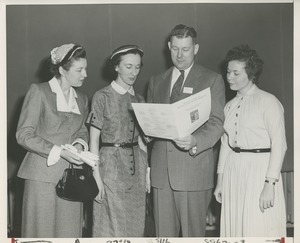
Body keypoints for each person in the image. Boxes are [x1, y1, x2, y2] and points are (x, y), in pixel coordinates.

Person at [146, 24, 226, 237]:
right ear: (169, 47)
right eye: (175, 49)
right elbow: (151, 123)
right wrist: (146, 130)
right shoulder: (156, 81)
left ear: (196, 49)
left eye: (186, 49)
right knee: (163, 236)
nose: (179, 55)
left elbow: (217, 123)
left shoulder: (212, 80)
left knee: (193, 236)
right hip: (161, 176)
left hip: (193, 172)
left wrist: (195, 141)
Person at [16, 43, 89, 237]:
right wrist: (59, 151)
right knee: (40, 234)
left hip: (72, 179)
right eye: (80, 70)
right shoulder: (39, 91)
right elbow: (23, 134)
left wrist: (79, 145)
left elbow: (82, 130)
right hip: (41, 177)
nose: (85, 75)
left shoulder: (81, 98)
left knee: (69, 233)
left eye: (85, 69)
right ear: (62, 70)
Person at [214, 44, 287, 237]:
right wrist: (220, 181)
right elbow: (225, 145)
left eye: (236, 73)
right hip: (234, 171)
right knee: (236, 227)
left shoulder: (268, 102)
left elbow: (279, 145)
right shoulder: (229, 106)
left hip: (259, 172)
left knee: (258, 226)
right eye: (228, 72)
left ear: (251, 74)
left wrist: (269, 184)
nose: (229, 77)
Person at [87, 45, 150, 237]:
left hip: (137, 171)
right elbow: (93, 141)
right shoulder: (102, 96)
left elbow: (142, 141)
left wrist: (147, 174)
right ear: (116, 67)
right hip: (110, 170)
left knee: (136, 226)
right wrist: (96, 178)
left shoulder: (139, 99)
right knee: (110, 226)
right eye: (128, 66)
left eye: (137, 67)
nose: (134, 72)